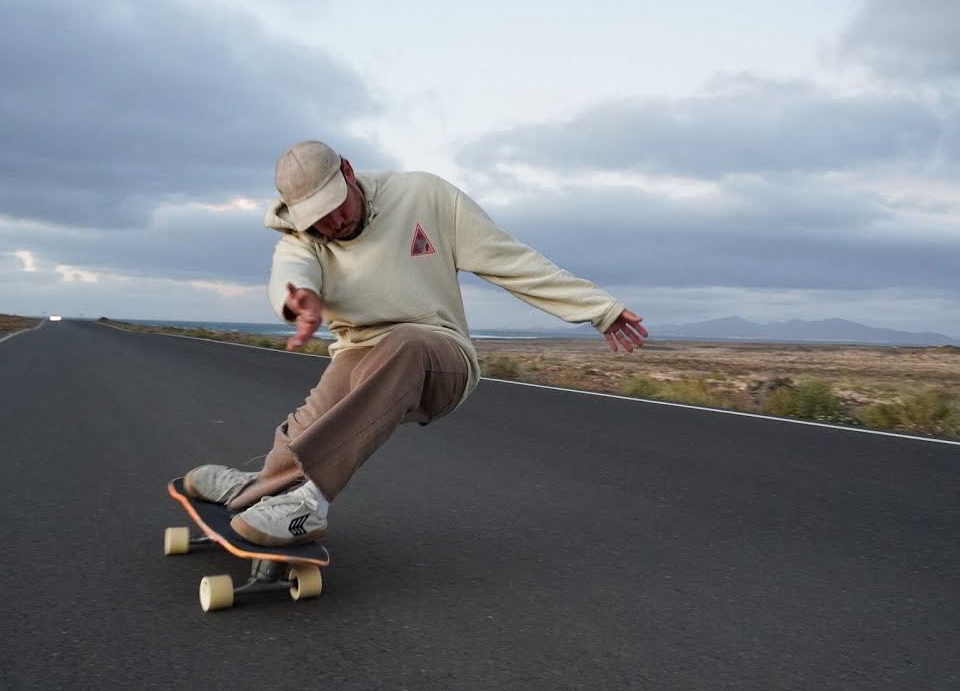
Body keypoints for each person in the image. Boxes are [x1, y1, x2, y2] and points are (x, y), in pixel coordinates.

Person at [182, 140, 648, 546]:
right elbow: (292, 270)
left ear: (348, 171)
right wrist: (299, 298)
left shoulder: (426, 196)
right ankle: (255, 486)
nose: (334, 224)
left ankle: (309, 504)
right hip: (362, 353)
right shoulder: (302, 234)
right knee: (298, 442)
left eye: (336, 207)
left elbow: (511, 260)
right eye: (318, 221)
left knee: (405, 343)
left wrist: (598, 308)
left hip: (439, 356)